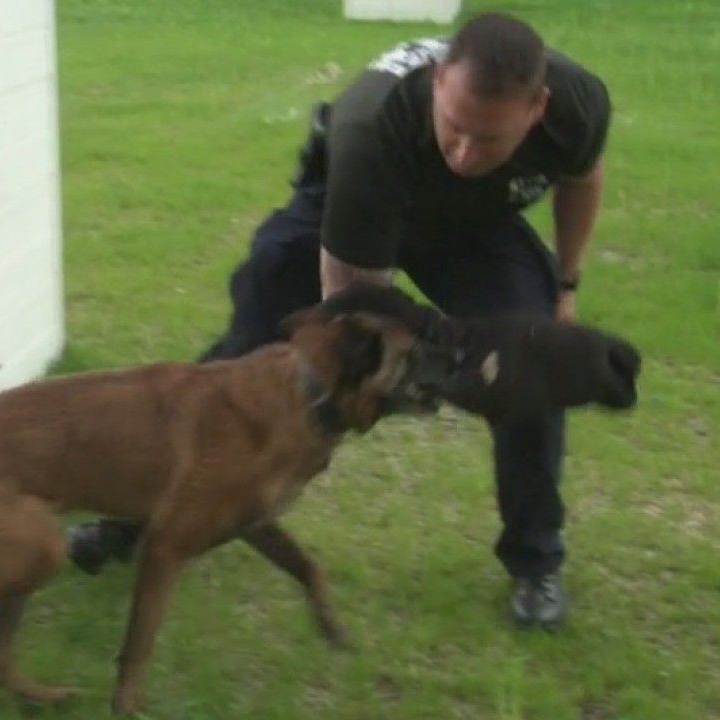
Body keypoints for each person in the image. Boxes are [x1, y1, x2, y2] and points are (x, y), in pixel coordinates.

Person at [66, 11, 612, 630]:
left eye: (489, 141)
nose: (464, 152)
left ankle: (536, 561)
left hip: (471, 230)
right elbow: (351, 320)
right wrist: (395, 386)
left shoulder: (579, 105)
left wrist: (564, 287)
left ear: (536, 108)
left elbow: (582, 177)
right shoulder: (371, 126)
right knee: (243, 361)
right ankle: (137, 515)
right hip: (347, 212)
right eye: (455, 129)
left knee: (533, 365)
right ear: (436, 84)